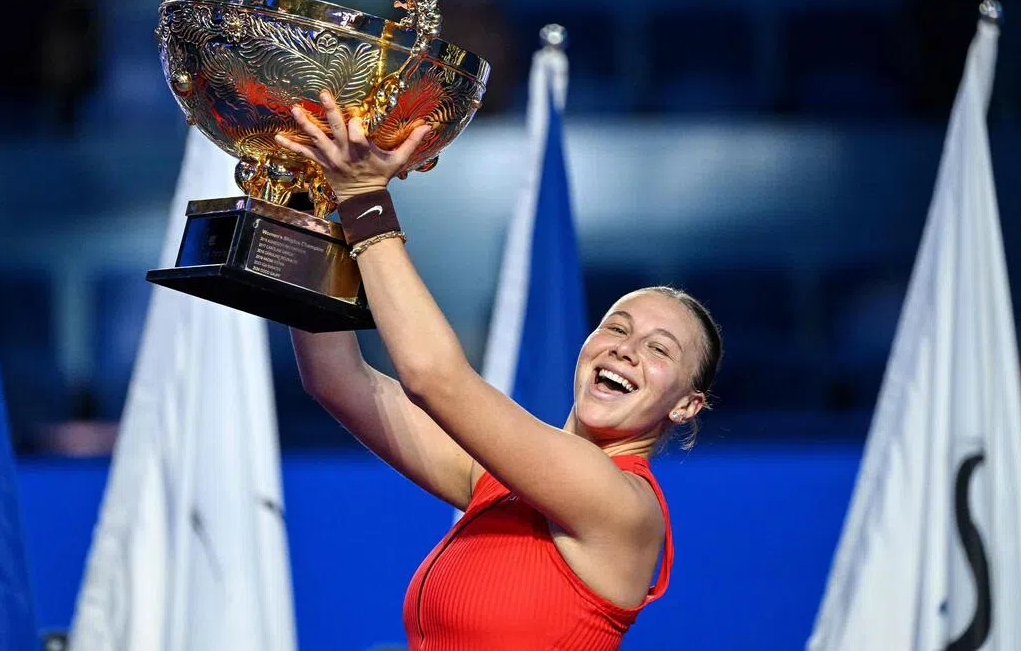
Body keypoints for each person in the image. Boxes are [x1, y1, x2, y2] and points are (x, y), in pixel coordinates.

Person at [278, 91, 723, 649]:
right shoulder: (494, 483)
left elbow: (431, 376)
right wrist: (310, 211)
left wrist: (365, 200)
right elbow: (337, 380)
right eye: (616, 327)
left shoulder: (622, 505)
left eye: (660, 350)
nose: (626, 349)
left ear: (686, 404)